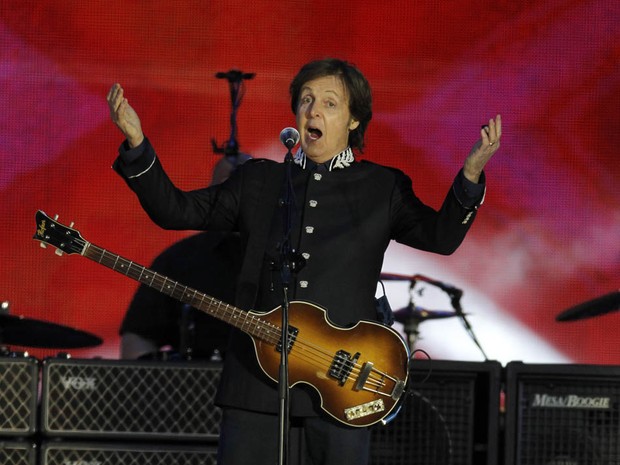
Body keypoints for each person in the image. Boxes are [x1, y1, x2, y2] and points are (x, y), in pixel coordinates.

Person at [107, 57, 501, 465]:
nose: (314, 110)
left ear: (353, 120)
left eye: (330, 103)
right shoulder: (258, 180)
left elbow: (441, 237)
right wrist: (138, 146)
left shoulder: (382, 187)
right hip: (256, 379)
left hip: (344, 381)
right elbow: (176, 211)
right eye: (306, 100)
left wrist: (470, 176)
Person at [119, 155, 249, 361]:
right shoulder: (179, 260)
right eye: (227, 189)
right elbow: (139, 336)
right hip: (198, 386)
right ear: (210, 193)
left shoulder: (290, 255)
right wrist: (146, 385)